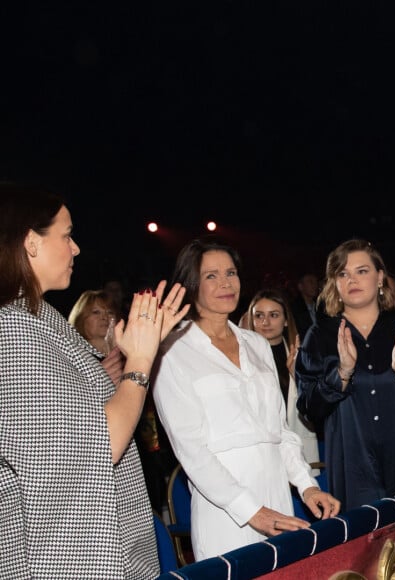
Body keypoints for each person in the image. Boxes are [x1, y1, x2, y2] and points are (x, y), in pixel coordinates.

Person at [0, 182, 189, 578]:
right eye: (66, 236)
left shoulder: (38, 319)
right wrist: (139, 360)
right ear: (30, 242)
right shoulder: (12, 328)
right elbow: (103, 443)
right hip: (64, 559)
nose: (76, 248)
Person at [151, 238, 340, 562]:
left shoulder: (257, 343)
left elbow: (280, 431)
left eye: (231, 272)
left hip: (277, 494)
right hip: (224, 509)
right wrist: (250, 510)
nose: (226, 283)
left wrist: (306, 485)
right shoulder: (171, 352)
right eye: (211, 275)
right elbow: (191, 450)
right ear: (191, 284)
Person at [295, 238, 395, 512]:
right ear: (335, 284)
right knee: (363, 545)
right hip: (354, 464)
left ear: (380, 278)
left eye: (361, 271)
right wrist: (343, 372)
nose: (352, 279)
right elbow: (307, 407)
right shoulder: (321, 336)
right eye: (343, 273)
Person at [246, 288, 321, 471]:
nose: (265, 322)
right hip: (261, 450)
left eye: (274, 315)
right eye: (259, 316)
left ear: (286, 320)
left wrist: (298, 375)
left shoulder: (302, 355)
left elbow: (316, 409)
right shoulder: (242, 358)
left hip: (298, 446)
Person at [68, 289, 118, 355]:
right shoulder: (73, 355)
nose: (105, 317)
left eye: (110, 312)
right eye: (96, 312)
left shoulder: (127, 354)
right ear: (81, 319)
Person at [290, 272, 320, 340]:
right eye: (311, 282)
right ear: (300, 287)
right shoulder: (294, 309)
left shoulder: (320, 305)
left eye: (316, 282)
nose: (315, 285)